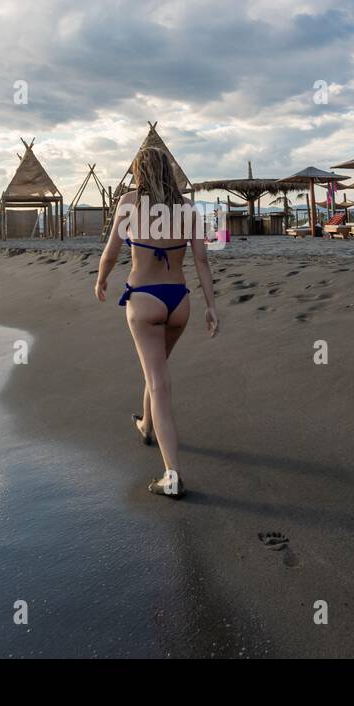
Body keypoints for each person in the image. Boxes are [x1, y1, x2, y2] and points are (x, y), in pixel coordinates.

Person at [95, 147, 219, 498]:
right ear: (169, 170)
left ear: (138, 171)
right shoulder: (187, 208)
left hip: (145, 301)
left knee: (159, 383)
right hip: (179, 303)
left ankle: (172, 474)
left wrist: (101, 279)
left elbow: (111, 252)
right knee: (157, 371)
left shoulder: (129, 202)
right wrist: (211, 306)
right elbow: (202, 261)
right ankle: (146, 426)